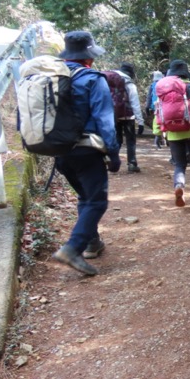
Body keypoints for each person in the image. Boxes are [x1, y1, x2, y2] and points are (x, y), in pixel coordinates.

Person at [52, 31, 120, 276]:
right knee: (97, 201)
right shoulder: (93, 78)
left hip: (59, 151)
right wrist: (113, 153)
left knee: (84, 197)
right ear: (89, 57)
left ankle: (92, 243)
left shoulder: (51, 78)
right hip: (86, 151)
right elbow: (104, 119)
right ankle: (73, 248)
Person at [153, 60, 190, 206]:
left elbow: (158, 111)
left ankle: (179, 186)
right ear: (186, 72)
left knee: (180, 164)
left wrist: (157, 132)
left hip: (173, 132)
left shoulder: (164, 89)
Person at [110, 62, 144, 172]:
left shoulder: (110, 82)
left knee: (117, 139)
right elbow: (135, 103)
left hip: (113, 115)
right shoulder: (130, 84)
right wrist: (140, 122)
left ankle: (112, 163)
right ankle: (132, 164)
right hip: (128, 116)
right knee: (130, 140)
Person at [145, 71, 166, 148]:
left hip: (155, 106)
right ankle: (162, 139)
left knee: (157, 120)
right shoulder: (165, 84)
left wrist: (147, 107)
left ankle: (157, 138)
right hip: (165, 105)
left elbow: (149, 97)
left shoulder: (152, 85)